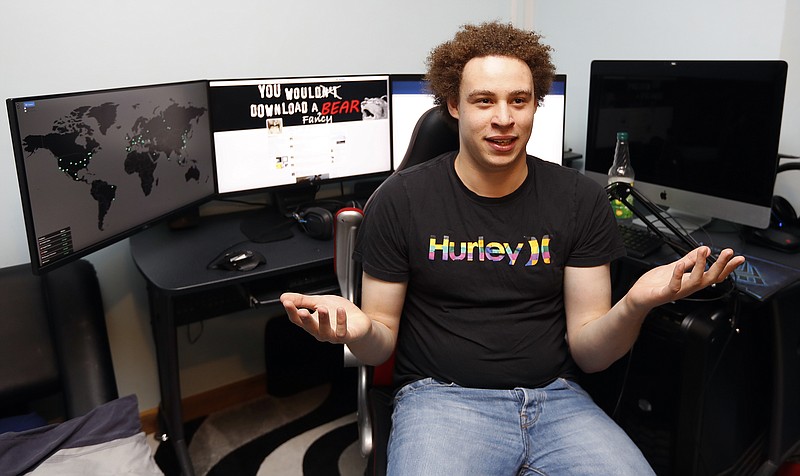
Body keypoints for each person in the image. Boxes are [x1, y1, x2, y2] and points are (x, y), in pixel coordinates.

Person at [281, 21, 745, 475]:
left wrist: (636, 303)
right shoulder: (401, 200)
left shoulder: (579, 198)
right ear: (454, 105)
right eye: (484, 100)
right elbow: (379, 343)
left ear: (535, 105)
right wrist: (355, 328)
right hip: (442, 400)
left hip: (559, 401)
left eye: (518, 101)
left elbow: (590, 353)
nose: (503, 118)